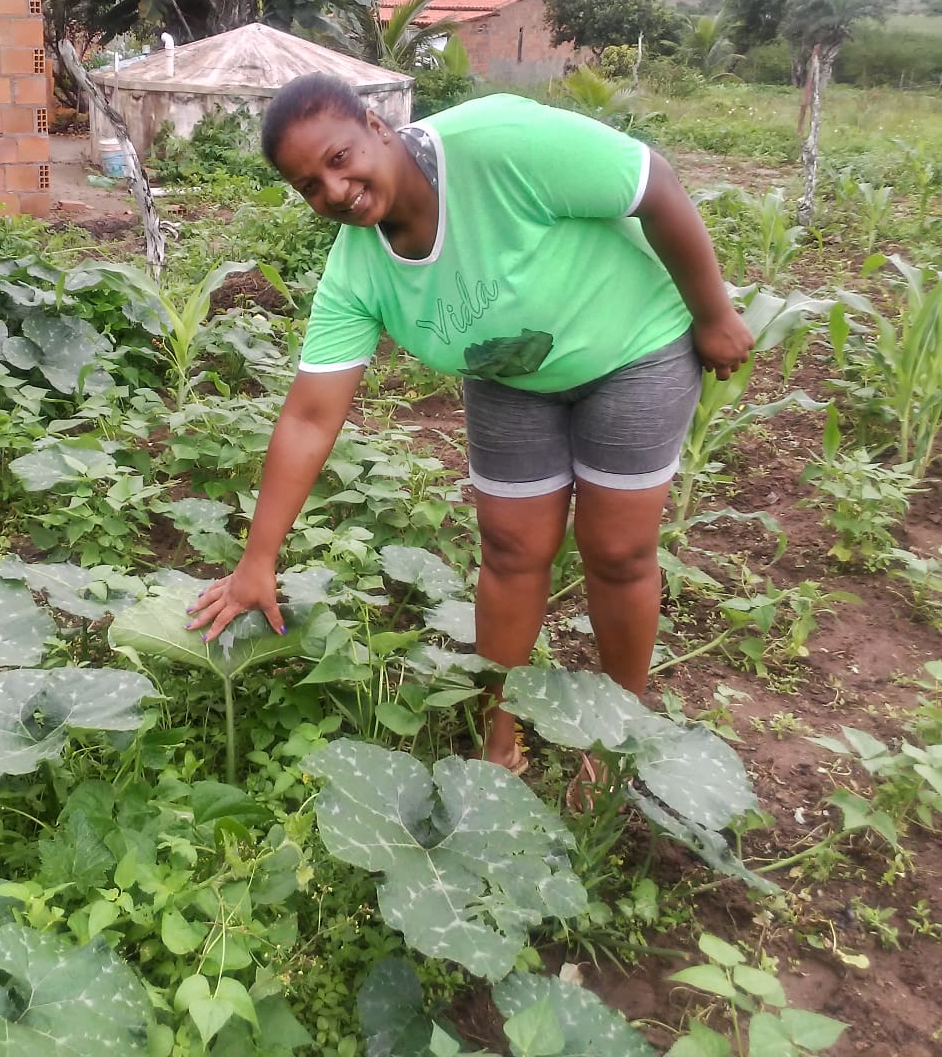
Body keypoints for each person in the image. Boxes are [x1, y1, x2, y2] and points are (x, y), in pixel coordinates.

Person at [186, 73, 753, 780]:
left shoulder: (497, 145)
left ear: (376, 124)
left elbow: (653, 185)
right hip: (512, 375)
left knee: (615, 551)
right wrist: (257, 561)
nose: (334, 191)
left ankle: (612, 741)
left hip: (633, 350)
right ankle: (498, 739)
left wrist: (714, 314)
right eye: (310, 186)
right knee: (511, 551)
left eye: (338, 159)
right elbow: (308, 416)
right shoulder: (358, 270)